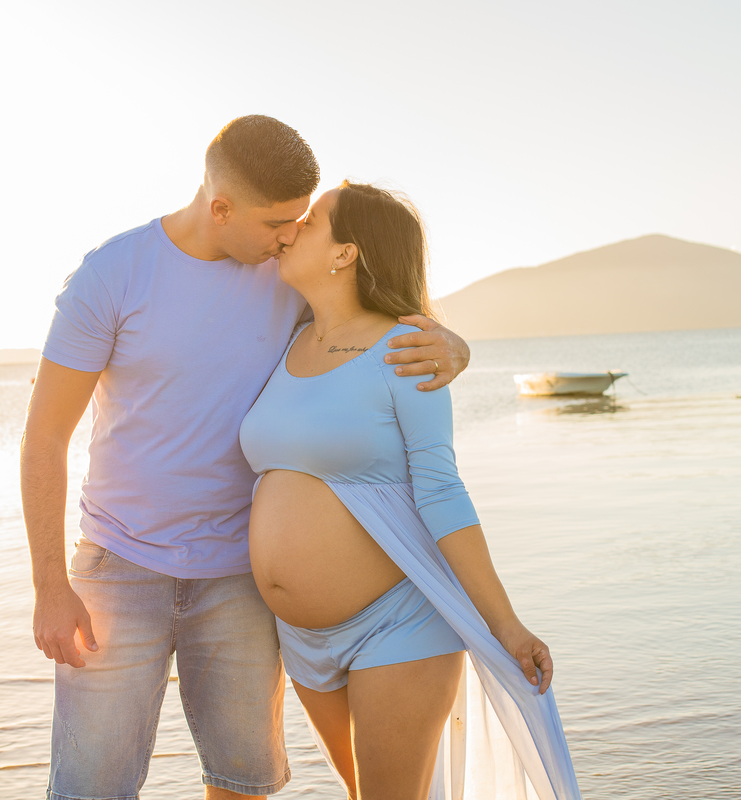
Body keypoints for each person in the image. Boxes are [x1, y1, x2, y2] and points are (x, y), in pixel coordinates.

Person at [20, 116, 471, 800]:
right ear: (220, 206)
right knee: (89, 787)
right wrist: (51, 586)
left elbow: (372, 317)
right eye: (277, 222)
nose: (290, 235)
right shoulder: (112, 274)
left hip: (239, 582)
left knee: (242, 783)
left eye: (299, 222)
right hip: (119, 568)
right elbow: (45, 437)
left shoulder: (285, 275)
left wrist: (455, 347)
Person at [239, 183, 582, 799]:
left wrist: (505, 625)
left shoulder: (406, 351)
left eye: (310, 221)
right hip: (301, 637)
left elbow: (441, 490)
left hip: (397, 622)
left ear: (345, 253)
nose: (290, 229)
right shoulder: (285, 338)